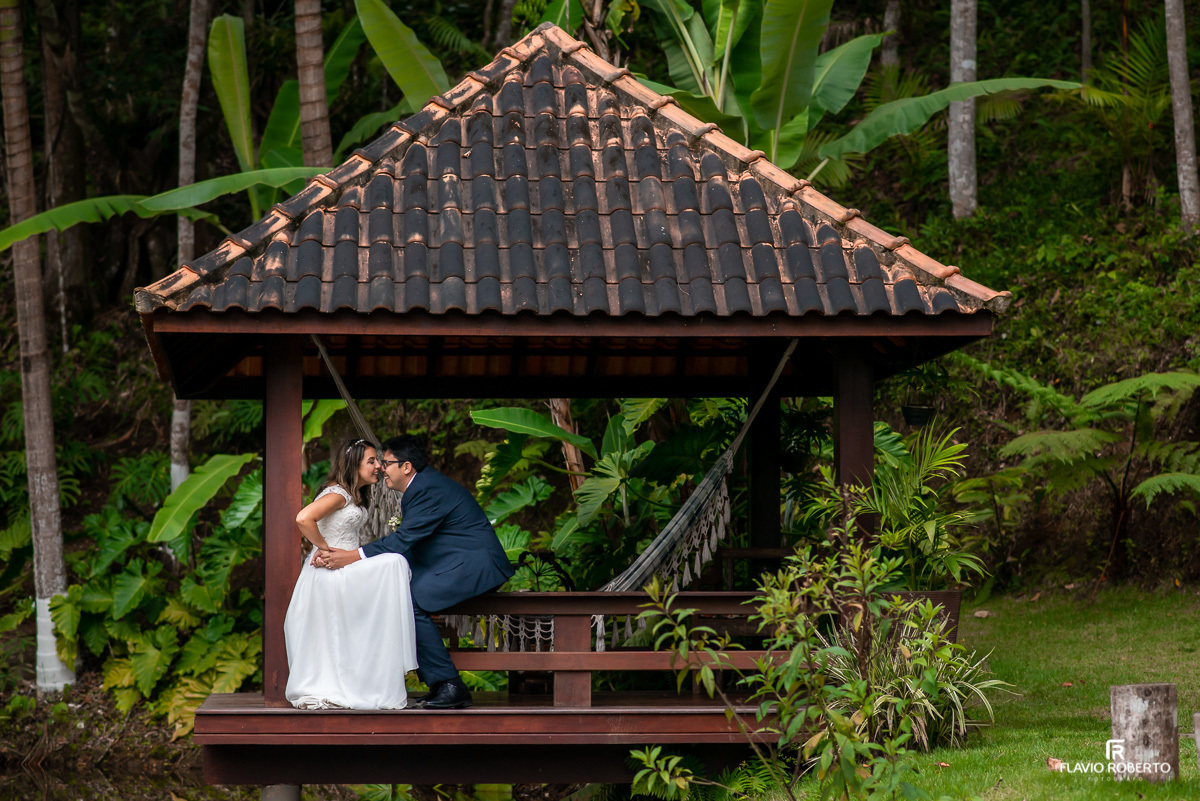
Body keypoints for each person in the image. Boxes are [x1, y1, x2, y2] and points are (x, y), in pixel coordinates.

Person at [317, 434, 515, 710]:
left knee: (410, 601)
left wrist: (352, 557)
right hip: (456, 563)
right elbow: (414, 543)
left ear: (406, 467)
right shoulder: (422, 486)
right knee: (399, 593)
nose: (381, 468)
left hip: (475, 566)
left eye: (386, 462)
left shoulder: (426, 489)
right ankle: (437, 683)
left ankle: (449, 685)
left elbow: (404, 540)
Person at [284, 438, 418, 709]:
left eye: (378, 461)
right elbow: (303, 518)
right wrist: (324, 549)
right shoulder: (339, 493)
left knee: (393, 567)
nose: (379, 466)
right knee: (394, 563)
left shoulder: (353, 494)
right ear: (353, 465)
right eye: (371, 461)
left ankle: (365, 680)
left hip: (346, 567)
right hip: (331, 571)